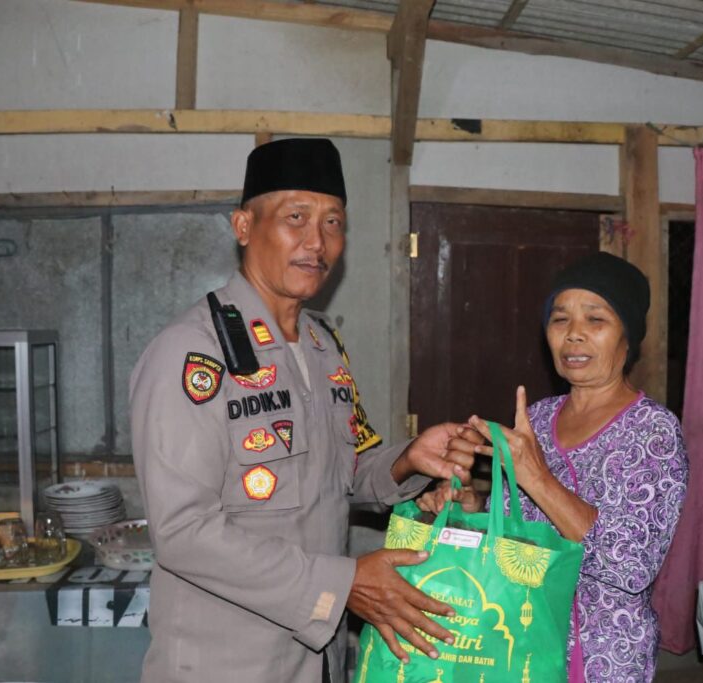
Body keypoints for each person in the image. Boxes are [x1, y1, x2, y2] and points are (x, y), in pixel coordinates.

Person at [130, 138, 479, 683]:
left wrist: (410, 458)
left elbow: (343, 473)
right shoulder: (192, 352)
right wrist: (342, 585)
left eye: (333, 222)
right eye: (296, 217)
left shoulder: (322, 348)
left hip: (316, 662)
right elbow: (183, 531)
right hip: (227, 666)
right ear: (244, 226)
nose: (317, 242)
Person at [419, 252, 689, 682]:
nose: (574, 334)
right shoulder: (538, 418)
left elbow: (632, 565)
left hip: (601, 658)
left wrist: (537, 478)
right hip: (520, 644)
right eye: (560, 319)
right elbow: (518, 530)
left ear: (628, 337)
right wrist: (471, 508)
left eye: (596, 320)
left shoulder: (653, 431)